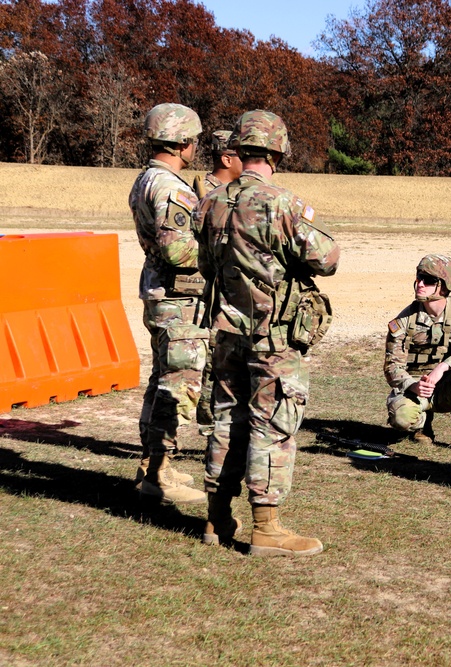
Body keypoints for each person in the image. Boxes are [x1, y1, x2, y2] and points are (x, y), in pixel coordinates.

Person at [196, 110, 340, 557]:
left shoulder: (211, 201)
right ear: (278, 151)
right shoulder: (282, 203)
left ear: (239, 148)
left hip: (227, 333)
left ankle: (216, 519)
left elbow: (204, 266)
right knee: (273, 425)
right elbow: (327, 259)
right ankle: (266, 528)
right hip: (273, 339)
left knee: (225, 421)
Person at [128, 102, 209, 505]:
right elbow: (178, 250)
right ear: (180, 143)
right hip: (178, 299)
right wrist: (218, 249)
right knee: (178, 386)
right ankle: (158, 475)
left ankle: (154, 463)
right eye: (193, 140)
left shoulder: (145, 180)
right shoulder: (171, 187)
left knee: (162, 380)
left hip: (161, 295)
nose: (196, 147)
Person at [384, 255, 451, 455]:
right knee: (401, 418)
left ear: (444, 286)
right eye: (418, 277)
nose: (420, 284)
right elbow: (392, 367)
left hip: (450, 387)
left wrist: (444, 367)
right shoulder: (402, 322)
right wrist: (413, 385)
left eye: (428, 280)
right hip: (418, 389)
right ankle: (421, 426)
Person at [194, 130, 243, 437]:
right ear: (226, 158)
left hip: (235, 288)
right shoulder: (205, 193)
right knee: (213, 357)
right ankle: (209, 418)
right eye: (241, 155)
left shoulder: (241, 191)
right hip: (213, 290)